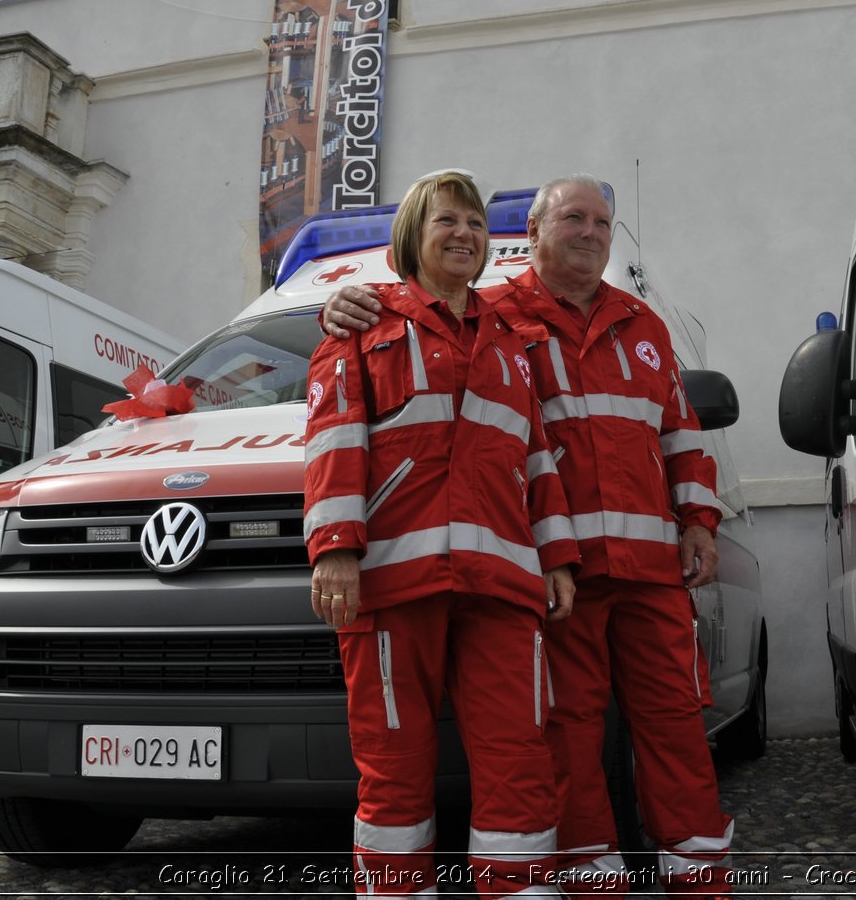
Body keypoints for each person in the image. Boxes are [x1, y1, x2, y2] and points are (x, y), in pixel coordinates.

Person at [323, 174, 733, 898]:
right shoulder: (498, 319)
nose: (591, 231)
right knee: (562, 742)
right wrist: (336, 548)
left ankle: (701, 885)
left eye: (603, 222)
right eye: (573, 217)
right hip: (509, 576)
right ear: (534, 233)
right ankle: (589, 887)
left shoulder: (632, 324)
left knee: (670, 733)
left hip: (614, 572)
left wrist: (698, 520)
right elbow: (344, 435)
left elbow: (674, 433)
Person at [305, 169, 579, 898]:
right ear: (412, 238)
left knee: (518, 759)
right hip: (394, 584)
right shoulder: (363, 327)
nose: (464, 234)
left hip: (503, 588)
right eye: (446, 221)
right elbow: (335, 441)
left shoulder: (509, 340)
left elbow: (536, 454)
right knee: (393, 766)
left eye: (476, 224)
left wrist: (555, 558)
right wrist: (335, 552)